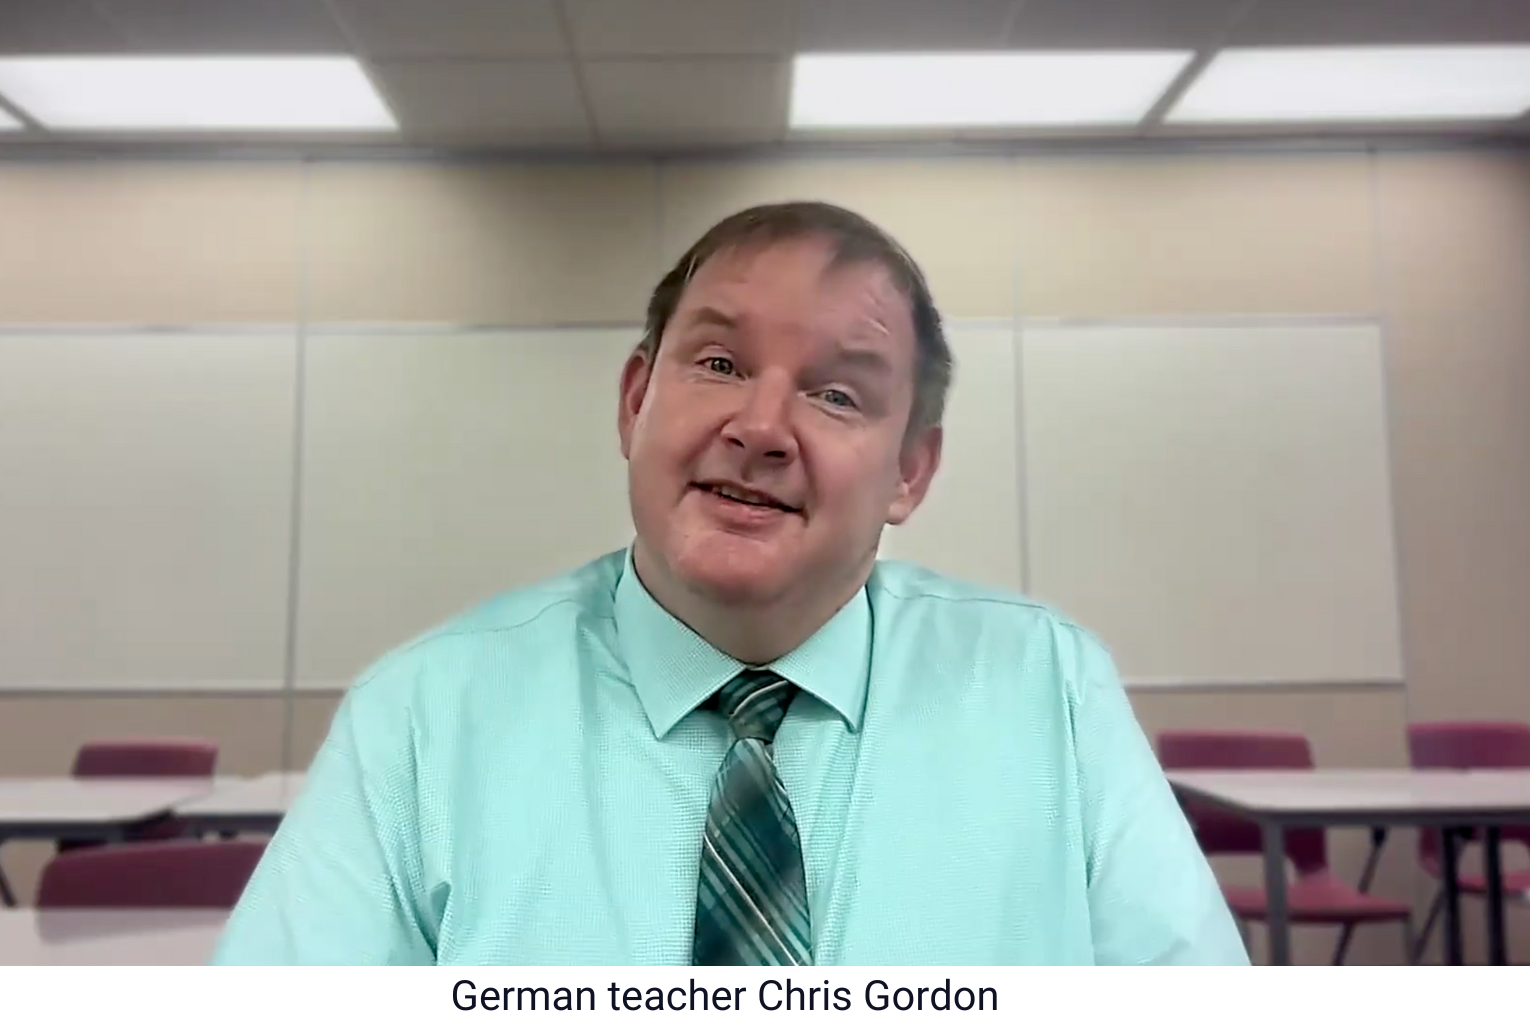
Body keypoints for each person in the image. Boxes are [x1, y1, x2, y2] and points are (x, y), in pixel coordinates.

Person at [211, 201, 1247, 966]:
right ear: (634, 401)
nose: (760, 428)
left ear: (911, 472)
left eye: (838, 393)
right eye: (716, 364)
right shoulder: (423, 718)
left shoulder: (1048, 691)